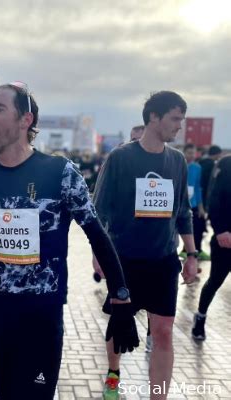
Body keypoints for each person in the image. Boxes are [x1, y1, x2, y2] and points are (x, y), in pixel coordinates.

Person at [0, 82, 139, 400]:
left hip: (41, 313)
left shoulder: (59, 172)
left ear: (26, 120)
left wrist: (121, 300)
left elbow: (97, 235)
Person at [93, 91, 197, 400]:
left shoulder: (177, 160)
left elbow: (183, 211)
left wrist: (191, 254)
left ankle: (158, 396)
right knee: (120, 322)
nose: (180, 126)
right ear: (154, 117)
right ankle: (113, 373)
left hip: (163, 260)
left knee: (163, 331)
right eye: (175, 118)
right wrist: (100, 255)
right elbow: (99, 210)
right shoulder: (121, 158)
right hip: (124, 259)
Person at [192, 155, 231, 340]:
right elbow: (213, 198)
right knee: (215, 280)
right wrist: (220, 229)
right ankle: (200, 317)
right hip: (226, 239)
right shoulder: (226, 164)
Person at [180, 143, 209, 261]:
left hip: (194, 204)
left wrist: (201, 207)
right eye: (189, 153)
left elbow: (198, 187)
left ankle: (195, 250)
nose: (192, 155)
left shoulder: (198, 168)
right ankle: (183, 250)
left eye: (193, 153)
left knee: (197, 227)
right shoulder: (179, 164)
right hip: (179, 203)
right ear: (184, 152)